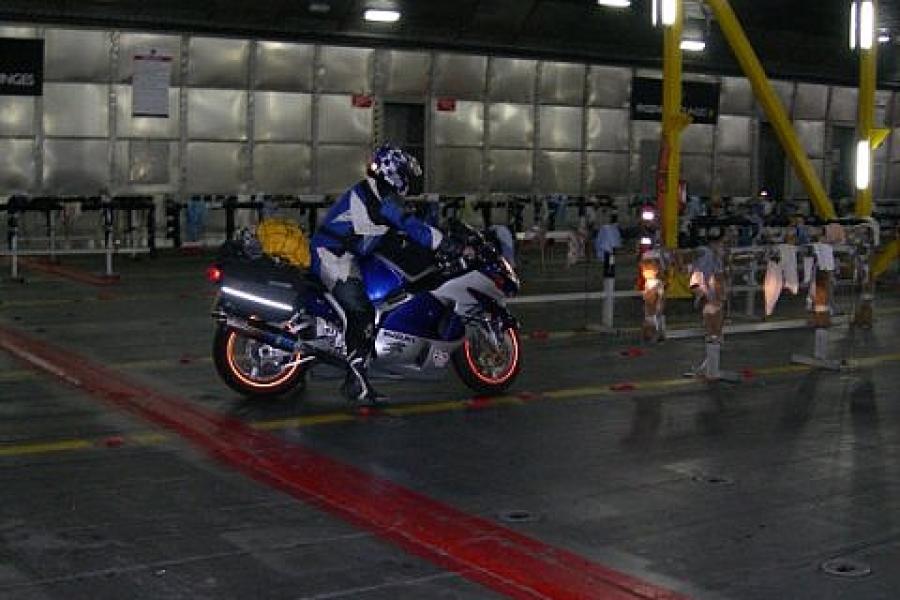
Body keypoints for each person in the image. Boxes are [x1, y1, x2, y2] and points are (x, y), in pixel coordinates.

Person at [310, 144, 459, 405]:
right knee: (361, 311)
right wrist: (444, 243)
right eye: (405, 174)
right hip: (332, 255)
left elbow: (397, 228)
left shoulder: (376, 192)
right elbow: (408, 224)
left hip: (344, 255)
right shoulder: (380, 195)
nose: (409, 181)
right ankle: (355, 381)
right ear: (394, 171)